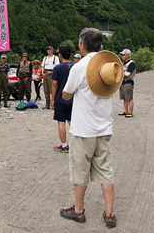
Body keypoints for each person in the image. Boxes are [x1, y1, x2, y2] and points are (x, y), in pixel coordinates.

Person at [60, 28, 122, 229]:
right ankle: (110, 213)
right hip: (104, 128)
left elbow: (66, 95)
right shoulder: (109, 66)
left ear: (82, 45)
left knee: (80, 170)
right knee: (105, 169)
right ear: (100, 45)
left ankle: (79, 211)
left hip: (83, 129)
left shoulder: (79, 68)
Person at [51, 46, 74, 152]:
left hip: (60, 99)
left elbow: (54, 84)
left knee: (61, 122)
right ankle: (75, 144)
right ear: (70, 55)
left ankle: (64, 145)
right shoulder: (75, 67)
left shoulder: (58, 68)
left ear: (59, 55)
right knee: (72, 122)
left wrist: (52, 99)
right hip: (73, 99)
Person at [118, 49, 136, 118]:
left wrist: (119, 76)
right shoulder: (123, 63)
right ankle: (126, 111)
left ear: (128, 55)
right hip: (122, 82)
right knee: (124, 98)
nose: (122, 56)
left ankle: (130, 112)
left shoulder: (131, 63)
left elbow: (128, 73)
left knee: (129, 98)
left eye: (123, 55)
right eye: (122, 55)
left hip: (128, 82)